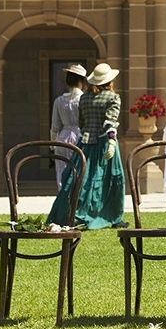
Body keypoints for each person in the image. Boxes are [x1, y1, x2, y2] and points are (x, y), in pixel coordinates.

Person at [47, 63, 126, 230]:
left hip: (86, 142)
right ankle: (111, 215)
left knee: (79, 179)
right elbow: (110, 122)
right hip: (104, 141)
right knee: (110, 178)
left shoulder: (85, 98)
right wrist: (111, 141)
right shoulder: (113, 98)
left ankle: (71, 212)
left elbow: (82, 123)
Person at [50, 64, 87, 191]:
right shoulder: (84, 99)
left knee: (62, 172)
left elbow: (55, 127)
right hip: (80, 137)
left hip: (62, 138)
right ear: (81, 81)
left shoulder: (59, 101)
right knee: (80, 171)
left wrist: (52, 145)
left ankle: (63, 201)